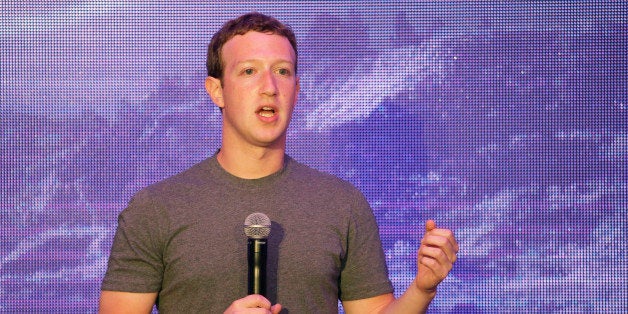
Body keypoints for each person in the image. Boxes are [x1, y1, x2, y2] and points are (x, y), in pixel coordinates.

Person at [99, 12, 458, 313]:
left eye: (282, 71)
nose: (269, 86)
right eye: (249, 71)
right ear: (216, 90)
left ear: (296, 90)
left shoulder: (342, 204)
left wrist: (422, 290)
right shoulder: (156, 209)